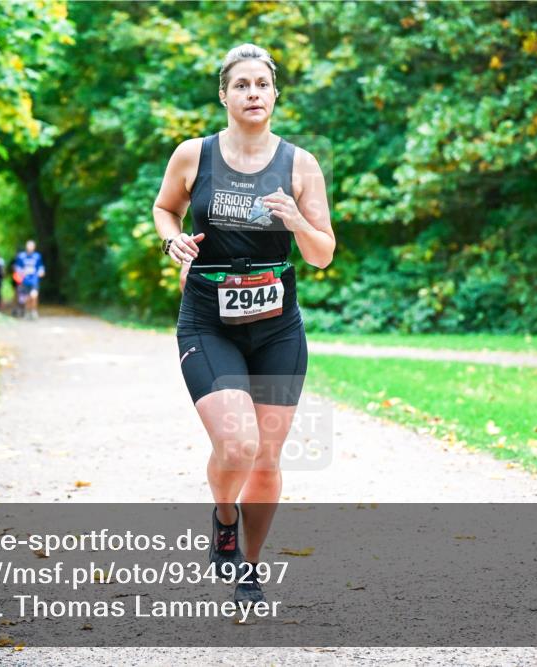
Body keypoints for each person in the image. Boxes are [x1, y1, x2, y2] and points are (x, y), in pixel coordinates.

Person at [152, 43, 335, 605]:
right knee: (237, 445)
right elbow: (165, 209)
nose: (252, 93)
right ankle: (224, 517)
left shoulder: (300, 164)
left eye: (262, 84)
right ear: (225, 95)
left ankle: (249, 569)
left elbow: (323, 253)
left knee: (268, 459)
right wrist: (171, 240)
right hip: (209, 320)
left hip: (279, 327)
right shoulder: (194, 155)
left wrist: (297, 219)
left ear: (275, 93)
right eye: (241, 85)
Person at [13, 240, 45, 320]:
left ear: (34, 247)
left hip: (34, 280)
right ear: (26, 247)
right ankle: (27, 312)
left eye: (31, 246)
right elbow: (17, 267)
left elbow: (40, 267)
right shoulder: (21, 256)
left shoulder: (37, 256)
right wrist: (21, 273)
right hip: (24, 280)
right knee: (26, 297)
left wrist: (41, 271)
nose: (30, 247)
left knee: (34, 295)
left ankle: (34, 311)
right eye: (28, 246)